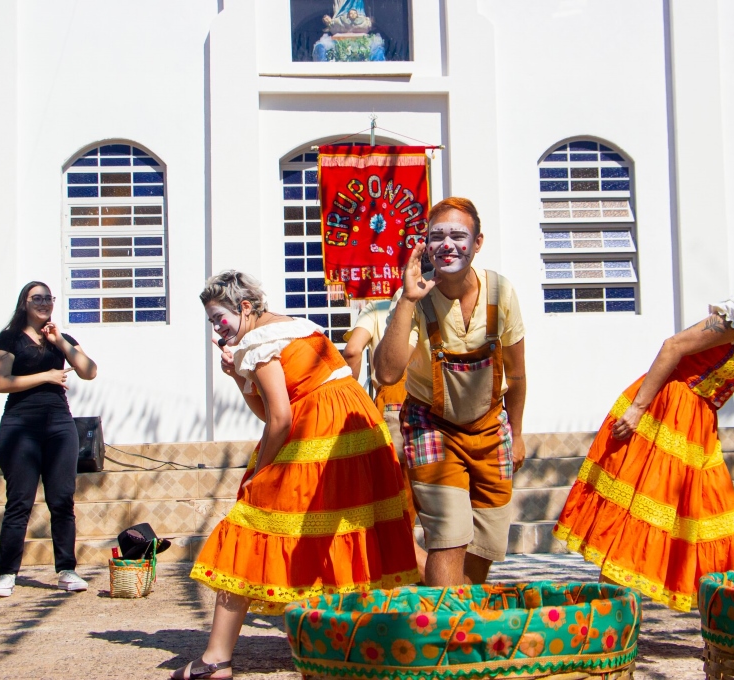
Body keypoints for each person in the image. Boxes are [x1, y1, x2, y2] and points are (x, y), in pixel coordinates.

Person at [555, 252, 734, 612]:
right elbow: (673, 346)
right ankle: (610, 617)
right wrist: (638, 408)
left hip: (700, 424)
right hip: (666, 409)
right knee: (640, 515)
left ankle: (732, 618)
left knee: (717, 519)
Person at [174, 271, 418, 680]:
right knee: (360, 530)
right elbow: (281, 407)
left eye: (220, 318)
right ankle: (431, 617)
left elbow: (279, 419)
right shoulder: (294, 326)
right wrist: (239, 378)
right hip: (357, 430)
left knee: (248, 524)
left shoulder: (257, 341)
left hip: (318, 437)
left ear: (245, 308)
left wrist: (262, 472)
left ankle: (216, 659)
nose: (217, 328)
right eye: (212, 322)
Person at [374, 196, 527, 587]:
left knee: (484, 545)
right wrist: (408, 299)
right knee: (449, 539)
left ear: (477, 243)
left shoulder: (501, 292)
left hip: (490, 428)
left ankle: (453, 617)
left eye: (459, 235)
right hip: (432, 426)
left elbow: (518, 374)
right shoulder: (415, 296)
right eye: (437, 236)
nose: (448, 244)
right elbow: (387, 374)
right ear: (425, 244)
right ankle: (447, 637)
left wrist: (519, 433)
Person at [0, 281, 98, 597]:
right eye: (36, 298)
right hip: (20, 426)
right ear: (24, 302)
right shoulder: (9, 338)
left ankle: (66, 569)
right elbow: (1, 382)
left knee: (62, 499)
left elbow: (89, 371)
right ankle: (8, 573)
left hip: (59, 426)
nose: (44, 302)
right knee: (19, 501)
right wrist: (47, 376)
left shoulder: (59, 340)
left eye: (48, 298)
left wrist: (60, 342)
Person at [342, 299, 428, 577]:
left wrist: (350, 394)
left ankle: (406, 566)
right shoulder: (438, 303)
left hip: (392, 401)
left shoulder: (377, 310)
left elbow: (353, 350)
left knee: (395, 493)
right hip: (432, 399)